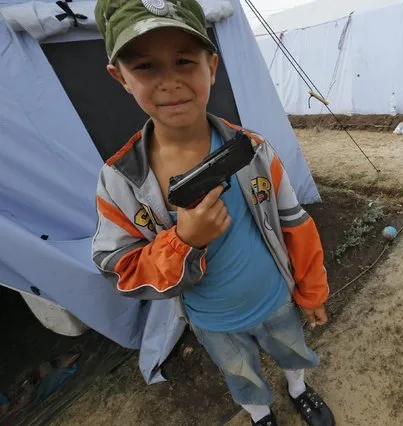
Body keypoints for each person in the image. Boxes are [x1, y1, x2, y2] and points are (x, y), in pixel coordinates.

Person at [90, 0, 335, 424]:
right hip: (212, 320)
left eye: (184, 60)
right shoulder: (121, 181)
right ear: (120, 77)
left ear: (212, 67)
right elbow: (118, 267)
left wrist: (311, 290)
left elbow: (295, 222)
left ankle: (298, 389)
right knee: (239, 372)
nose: (169, 81)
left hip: (274, 298)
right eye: (145, 66)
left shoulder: (254, 150)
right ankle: (261, 414)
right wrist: (183, 241)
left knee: (292, 351)